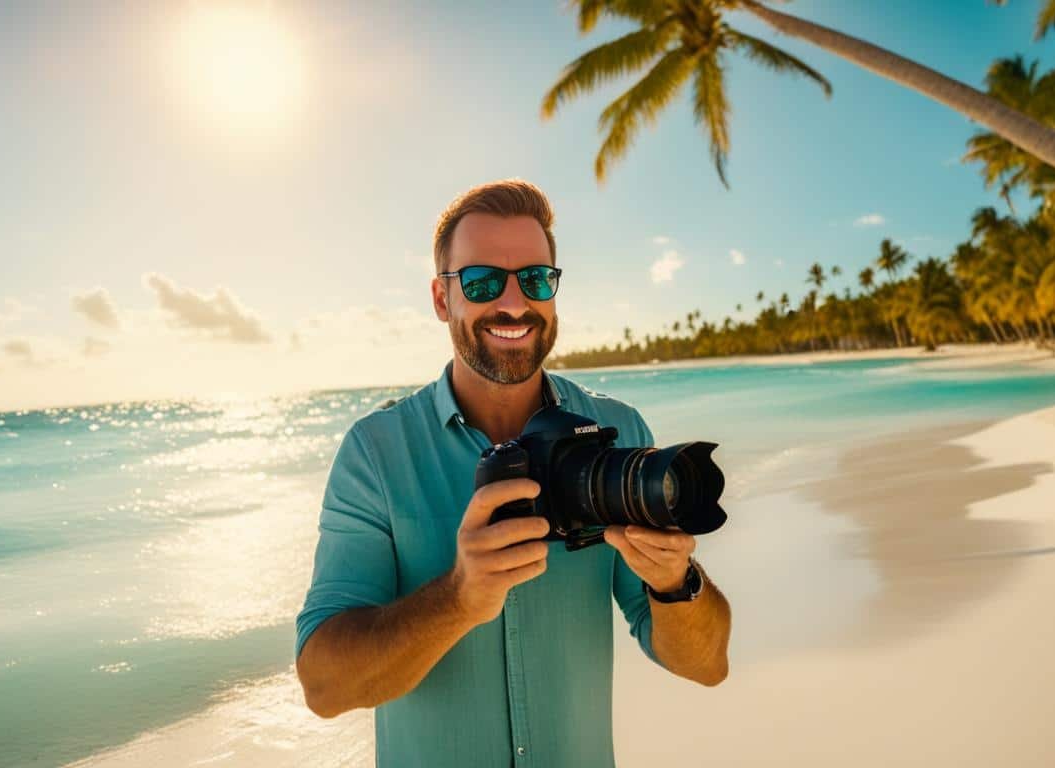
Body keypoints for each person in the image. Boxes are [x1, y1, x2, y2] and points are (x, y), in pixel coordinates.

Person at [294, 179, 731, 767]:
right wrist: (459, 599)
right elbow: (323, 687)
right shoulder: (377, 453)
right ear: (442, 299)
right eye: (480, 281)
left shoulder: (618, 432)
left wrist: (676, 582)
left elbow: (706, 665)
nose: (513, 303)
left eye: (535, 279)